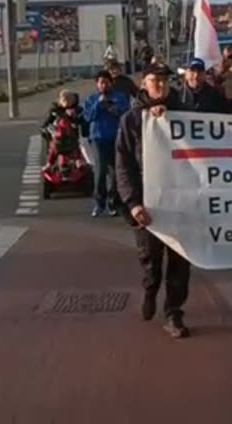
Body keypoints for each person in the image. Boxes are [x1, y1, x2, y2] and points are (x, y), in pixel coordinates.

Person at [115, 63, 191, 338]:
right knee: (150, 259)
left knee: (180, 261)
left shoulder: (186, 115)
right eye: (153, 80)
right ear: (144, 84)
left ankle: (173, 312)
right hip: (147, 204)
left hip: (181, 202)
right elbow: (123, 166)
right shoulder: (132, 120)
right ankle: (150, 288)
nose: (159, 84)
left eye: (163, 80)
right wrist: (133, 203)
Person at [82, 71, 131, 218]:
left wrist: (110, 106)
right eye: (101, 82)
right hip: (98, 139)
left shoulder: (119, 97)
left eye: (106, 82)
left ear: (111, 83)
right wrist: (98, 104)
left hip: (116, 138)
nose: (104, 85)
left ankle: (113, 202)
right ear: (97, 84)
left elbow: (124, 114)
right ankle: (99, 203)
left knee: (116, 173)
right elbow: (88, 117)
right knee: (100, 171)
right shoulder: (91, 99)